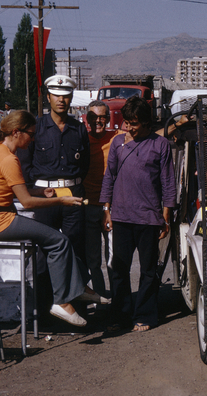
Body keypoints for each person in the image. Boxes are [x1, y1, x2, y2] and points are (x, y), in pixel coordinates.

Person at [0, 110, 106, 327]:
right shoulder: (9, 159)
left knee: (54, 241)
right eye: (31, 134)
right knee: (59, 240)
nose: (33, 139)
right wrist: (62, 201)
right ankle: (62, 301)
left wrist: (40, 192)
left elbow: (11, 190)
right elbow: (26, 203)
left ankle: (80, 289)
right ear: (16, 132)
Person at [100, 96, 176, 332]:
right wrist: (106, 209)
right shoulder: (117, 143)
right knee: (119, 269)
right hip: (121, 217)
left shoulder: (160, 145)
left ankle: (144, 315)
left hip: (149, 218)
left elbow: (168, 183)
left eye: (134, 123)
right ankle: (120, 315)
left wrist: (165, 216)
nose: (129, 128)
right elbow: (109, 177)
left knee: (148, 270)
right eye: (127, 123)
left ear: (145, 122)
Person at [19, 74, 91, 315]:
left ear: (71, 98)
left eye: (66, 95)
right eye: (57, 95)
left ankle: (76, 308)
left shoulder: (78, 128)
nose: (61, 99)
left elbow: (85, 165)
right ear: (48, 97)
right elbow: (24, 165)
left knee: (76, 251)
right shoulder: (35, 128)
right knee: (42, 252)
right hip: (45, 197)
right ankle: (43, 310)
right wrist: (36, 190)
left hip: (72, 194)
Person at [83, 100, 121, 299]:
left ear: (108, 118)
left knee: (113, 258)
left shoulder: (117, 137)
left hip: (111, 206)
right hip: (88, 206)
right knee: (93, 260)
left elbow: (147, 136)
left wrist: (175, 124)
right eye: (93, 117)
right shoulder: (80, 139)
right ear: (86, 118)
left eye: (102, 117)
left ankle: (116, 299)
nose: (98, 121)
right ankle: (99, 298)